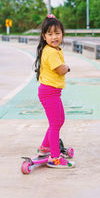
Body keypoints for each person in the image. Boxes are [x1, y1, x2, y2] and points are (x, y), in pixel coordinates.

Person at [33, 14, 75, 169]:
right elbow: (60, 69)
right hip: (49, 92)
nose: (54, 37)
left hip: (51, 92)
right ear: (44, 37)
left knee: (57, 121)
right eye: (50, 34)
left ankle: (45, 148)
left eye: (57, 33)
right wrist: (68, 67)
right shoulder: (50, 52)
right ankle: (55, 157)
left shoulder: (53, 49)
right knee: (56, 123)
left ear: (62, 34)